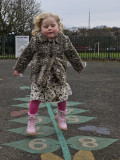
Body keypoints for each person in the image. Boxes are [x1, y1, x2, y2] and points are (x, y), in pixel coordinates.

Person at [13, 12, 85, 136]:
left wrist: (78, 66)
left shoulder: (63, 39)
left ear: (58, 26)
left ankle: (61, 116)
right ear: (40, 29)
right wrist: (19, 68)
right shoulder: (37, 40)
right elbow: (26, 54)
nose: (50, 28)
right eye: (46, 27)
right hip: (40, 75)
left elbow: (71, 53)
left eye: (53, 25)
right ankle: (31, 122)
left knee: (62, 95)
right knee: (35, 98)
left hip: (58, 74)